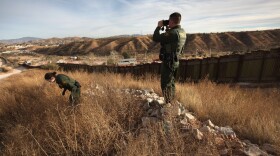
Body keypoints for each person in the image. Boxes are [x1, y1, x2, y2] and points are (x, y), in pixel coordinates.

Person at [153, 12, 187, 105]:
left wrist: (159, 26)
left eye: (169, 21)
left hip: (168, 62)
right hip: (175, 61)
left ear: (171, 21)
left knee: (165, 83)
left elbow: (155, 38)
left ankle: (168, 104)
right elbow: (173, 46)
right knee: (171, 83)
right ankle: (171, 101)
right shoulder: (182, 32)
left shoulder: (172, 33)